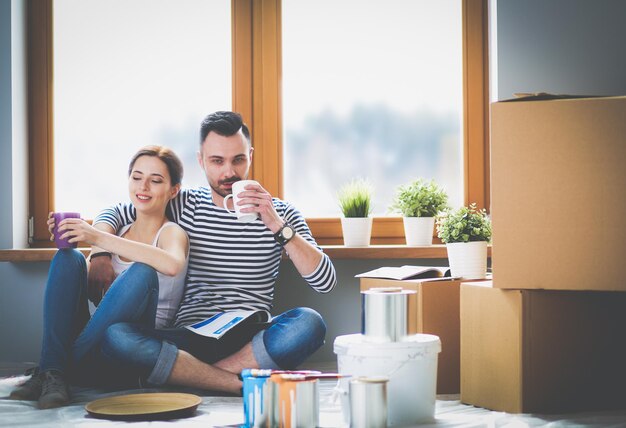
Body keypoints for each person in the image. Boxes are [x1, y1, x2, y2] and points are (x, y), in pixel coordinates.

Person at [88, 111, 337, 394]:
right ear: (201, 160)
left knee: (308, 323)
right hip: (188, 335)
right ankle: (231, 383)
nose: (228, 172)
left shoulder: (280, 212)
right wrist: (99, 254)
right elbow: (116, 211)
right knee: (116, 336)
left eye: (238, 160)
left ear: (250, 156)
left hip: (248, 337)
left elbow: (325, 281)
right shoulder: (184, 203)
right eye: (217, 161)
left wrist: (274, 223)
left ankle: (192, 377)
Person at [9, 146, 189, 409]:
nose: (144, 186)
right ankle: (55, 370)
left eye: (156, 180)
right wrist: (76, 236)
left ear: (173, 190)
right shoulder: (121, 230)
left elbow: (173, 264)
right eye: (137, 177)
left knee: (143, 271)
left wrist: (97, 239)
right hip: (95, 346)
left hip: (126, 347)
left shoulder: (171, 232)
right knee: (68, 258)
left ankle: (54, 368)